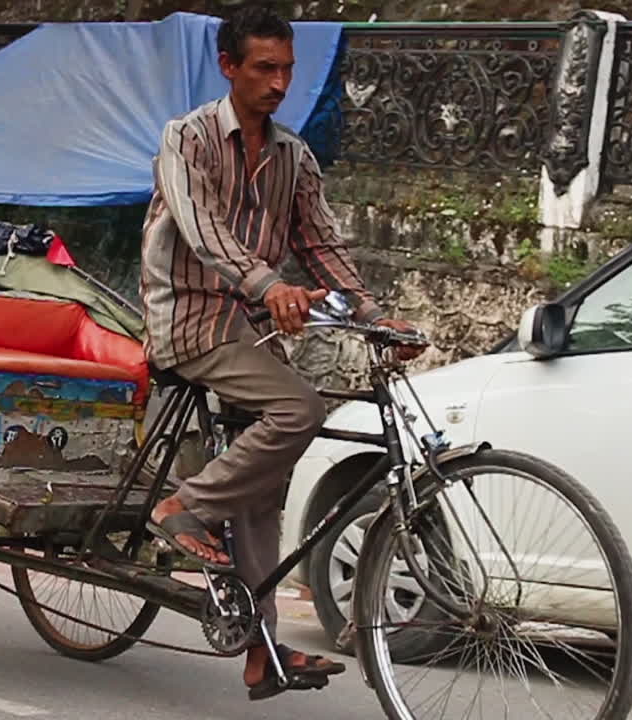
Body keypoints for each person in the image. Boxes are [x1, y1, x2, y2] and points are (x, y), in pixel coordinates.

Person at [138, 6, 425, 701]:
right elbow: (202, 229)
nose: (278, 83)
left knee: (265, 488)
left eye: (287, 69)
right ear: (229, 67)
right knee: (298, 409)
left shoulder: (293, 156)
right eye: (264, 68)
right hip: (189, 318)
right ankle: (185, 505)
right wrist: (268, 285)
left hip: (250, 329)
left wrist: (374, 313)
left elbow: (322, 243)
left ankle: (261, 648)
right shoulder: (189, 138)